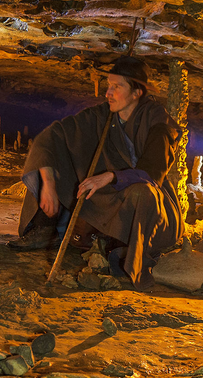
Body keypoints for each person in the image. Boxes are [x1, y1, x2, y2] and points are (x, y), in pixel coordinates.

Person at [10, 56, 182, 289]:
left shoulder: (157, 120)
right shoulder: (102, 115)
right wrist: (49, 185)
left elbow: (153, 173)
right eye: (108, 86)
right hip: (109, 195)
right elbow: (52, 137)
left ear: (136, 93)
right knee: (53, 163)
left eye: (116, 87)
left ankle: (129, 255)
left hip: (150, 202)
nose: (107, 93)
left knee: (142, 193)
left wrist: (111, 176)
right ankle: (45, 226)